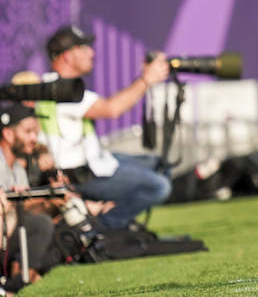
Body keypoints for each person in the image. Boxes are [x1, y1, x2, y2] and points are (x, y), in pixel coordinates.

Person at [33, 26, 171, 230]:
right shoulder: (62, 91)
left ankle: (110, 218)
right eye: (84, 48)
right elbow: (111, 109)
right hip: (81, 176)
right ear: (68, 56)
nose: (92, 53)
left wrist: (144, 78)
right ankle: (100, 229)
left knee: (160, 164)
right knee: (159, 187)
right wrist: (145, 80)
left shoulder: (53, 85)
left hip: (94, 162)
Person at [0, 104, 61, 284]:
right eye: (28, 132)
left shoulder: (18, 169)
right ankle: (18, 282)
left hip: (8, 235)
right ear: (8, 134)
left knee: (52, 234)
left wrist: (52, 202)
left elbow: (25, 212)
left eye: (36, 132)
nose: (34, 139)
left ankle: (20, 280)